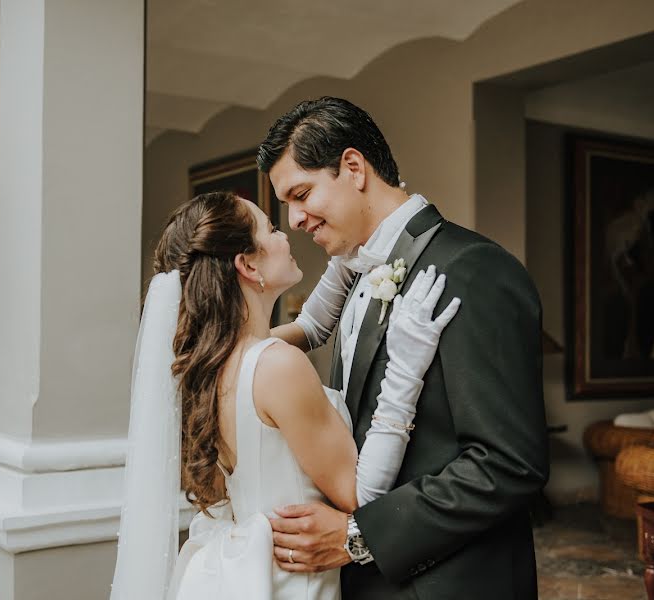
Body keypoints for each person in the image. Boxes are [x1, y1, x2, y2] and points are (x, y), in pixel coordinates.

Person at [258, 96, 549, 599]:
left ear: (353, 167)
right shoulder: (354, 272)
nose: (295, 219)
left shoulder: (473, 270)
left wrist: (360, 537)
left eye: (302, 194)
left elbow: (508, 463)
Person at [109, 190, 459, 600]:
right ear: (247, 264)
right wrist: (405, 368)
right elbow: (360, 496)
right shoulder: (277, 366)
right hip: (289, 580)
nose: (286, 234)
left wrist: (354, 241)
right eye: (271, 229)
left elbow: (310, 323)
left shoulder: (216, 364)